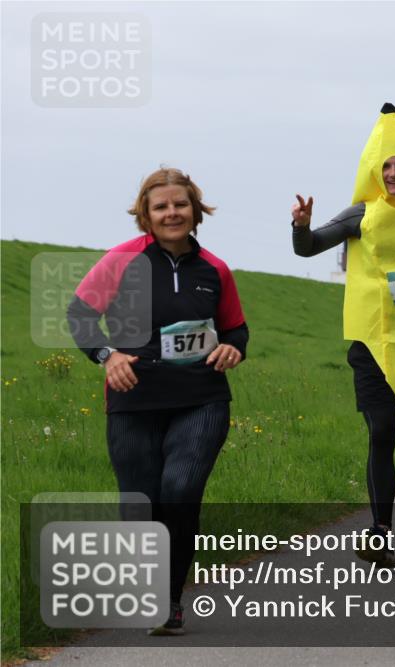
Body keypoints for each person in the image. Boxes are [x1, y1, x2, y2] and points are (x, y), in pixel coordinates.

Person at [67, 167, 249, 636]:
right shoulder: (120, 261)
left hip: (201, 399)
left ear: (196, 211)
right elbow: (80, 314)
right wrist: (107, 356)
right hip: (134, 400)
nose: (172, 213)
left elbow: (235, 328)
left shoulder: (215, 269)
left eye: (180, 204)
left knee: (181, 492)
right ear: (145, 214)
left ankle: (167, 601)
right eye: (161, 206)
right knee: (141, 503)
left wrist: (233, 348)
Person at [292, 103, 395, 566]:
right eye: (386, 165)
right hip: (372, 341)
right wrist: (300, 225)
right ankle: (381, 530)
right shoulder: (361, 213)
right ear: (373, 171)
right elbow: (308, 249)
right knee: (381, 432)